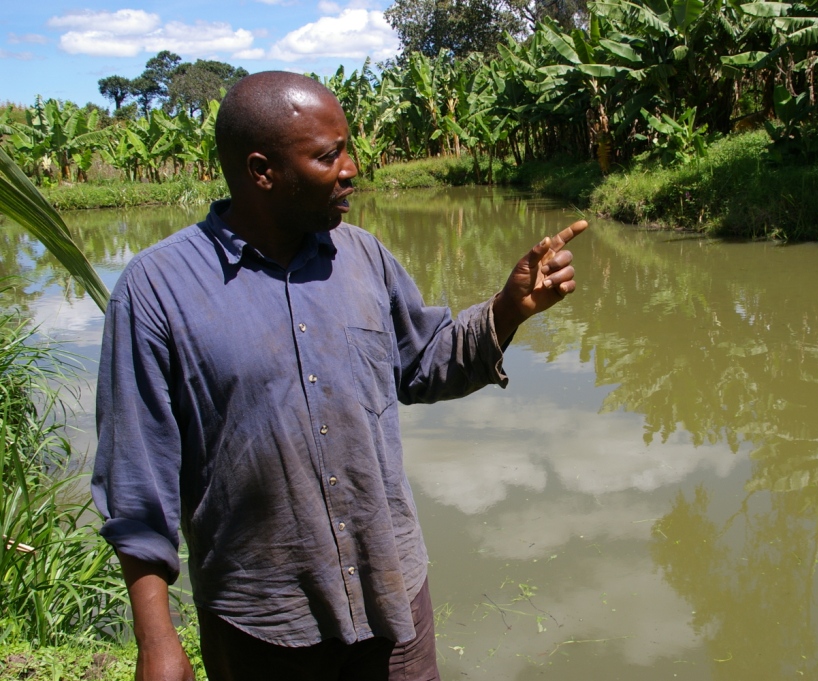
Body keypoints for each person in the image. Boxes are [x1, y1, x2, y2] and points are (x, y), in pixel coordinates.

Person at [91, 71, 586, 681]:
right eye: (329, 156)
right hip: (262, 626)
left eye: (348, 148)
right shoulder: (155, 291)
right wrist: (157, 641)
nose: (352, 169)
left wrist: (507, 310)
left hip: (392, 602)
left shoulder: (364, 257)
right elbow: (137, 477)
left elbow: (425, 362)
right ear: (261, 170)